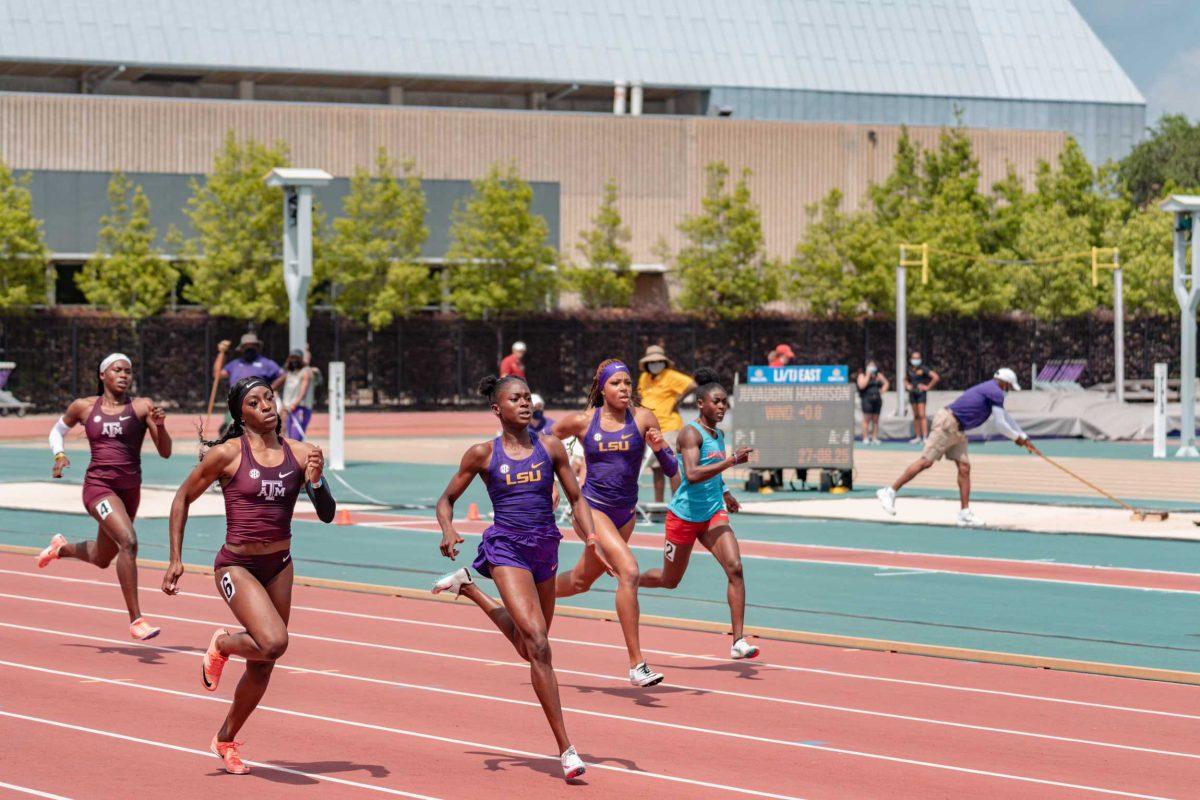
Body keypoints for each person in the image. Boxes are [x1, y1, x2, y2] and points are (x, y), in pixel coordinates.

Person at [162, 377, 336, 774]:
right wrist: (175, 558)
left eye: (269, 398)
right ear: (241, 413)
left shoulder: (301, 452)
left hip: (279, 566)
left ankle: (224, 739)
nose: (266, 406)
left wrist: (317, 480)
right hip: (236, 566)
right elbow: (181, 499)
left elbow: (326, 513)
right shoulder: (227, 455)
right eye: (255, 402)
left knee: (264, 661)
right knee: (273, 641)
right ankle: (222, 643)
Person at [431, 374, 597, 781]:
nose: (525, 403)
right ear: (497, 409)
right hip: (506, 548)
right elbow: (446, 499)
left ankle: (469, 588)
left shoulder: (551, 447)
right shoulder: (482, 454)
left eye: (527, 397)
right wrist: (448, 530)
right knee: (540, 644)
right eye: (515, 399)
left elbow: (576, 497)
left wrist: (592, 538)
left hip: (546, 547)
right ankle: (567, 749)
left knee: (530, 649)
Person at [552, 359, 679, 687]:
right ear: (602, 388)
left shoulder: (643, 418)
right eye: (616, 383)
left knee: (580, 582)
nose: (624, 389)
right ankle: (637, 664)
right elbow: (547, 440)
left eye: (627, 383)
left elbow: (672, 470)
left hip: (625, 513)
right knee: (630, 570)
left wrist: (661, 449)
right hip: (592, 508)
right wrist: (554, 481)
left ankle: (531, 593)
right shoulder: (584, 422)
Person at [39, 353, 172, 640]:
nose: (124, 375)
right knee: (128, 541)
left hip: (129, 492)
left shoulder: (141, 407)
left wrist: (160, 426)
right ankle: (136, 620)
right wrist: (59, 454)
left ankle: (59, 548)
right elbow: (56, 431)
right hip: (98, 487)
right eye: (117, 370)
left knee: (102, 557)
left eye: (128, 371)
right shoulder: (84, 407)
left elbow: (165, 452)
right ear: (103, 375)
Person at [638, 368, 759, 660]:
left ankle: (738, 641)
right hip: (684, 516)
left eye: (724, 404)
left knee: (735, 569)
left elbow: (713, 469)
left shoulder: (718, 434)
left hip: (713, 514)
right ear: (701, 403)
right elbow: (691, 474)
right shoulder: (690, 433)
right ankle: (630, 578)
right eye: (716, 402)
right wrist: (732, 461)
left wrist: (725, 492)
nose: (721, 407)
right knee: (670, 580)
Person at [877, 367, 1034, 527]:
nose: (1008, 391)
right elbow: (1000, 424)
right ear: (1003, 383)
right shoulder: (995, 391)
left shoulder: (993, 390)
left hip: (958, 428)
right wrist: (1017, 438)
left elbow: (1006, 418)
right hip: (948, 422)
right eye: (1009, 387)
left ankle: (964, 514)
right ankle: (889, 491)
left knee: (964, 467)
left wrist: (1024, 437)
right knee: (926, 462)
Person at [637, 345, 696, 503]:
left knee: (672, 467)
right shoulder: (644, 378)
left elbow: (692, 384)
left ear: (663, 362)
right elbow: (640, 395)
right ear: (647, 364)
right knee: (656, 468)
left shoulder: (671, 376)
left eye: (658, 361)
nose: (655, 364)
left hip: (669, 427)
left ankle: (677, 505)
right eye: (652, 361)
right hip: (650, 429)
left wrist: (678, 399)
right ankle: (659, 505)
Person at [280, 347, 315, 440]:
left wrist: (294, 405)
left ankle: (297, 454)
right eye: (292, 357)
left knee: (296, 438)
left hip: (300, 408)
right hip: (288, 409)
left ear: (301, 359)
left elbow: (302, 392)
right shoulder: (290, 372)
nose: (294, 360)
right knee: (288, 436)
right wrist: (284, 405)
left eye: (297, 358)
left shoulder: (306, 371)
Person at [905, 351, 939, 443]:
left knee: (922, 415)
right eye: (914, 358)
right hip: (912, 393)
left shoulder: (923, 368)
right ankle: (918, 436)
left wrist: (927, 387)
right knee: (916, 415)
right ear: (911, 359)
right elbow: (905, 380)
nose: (915, 360)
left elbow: (935, 377)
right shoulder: (909, 369)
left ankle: (925, 437)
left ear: (920, 359)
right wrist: (907, 385)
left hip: (921, 393)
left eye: (917, 358)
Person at [856, 362, 889, 445]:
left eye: (873, 366)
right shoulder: (862, 375)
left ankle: (874, 438)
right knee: (866, 419)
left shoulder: (878, 375)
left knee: (875, 420)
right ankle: (865, 438)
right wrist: (868, 375)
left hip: (877, 399)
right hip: (867, 399)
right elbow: (861, 386)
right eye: (870, 366)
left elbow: (886, 383)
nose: (872, 368)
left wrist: (881, 391)